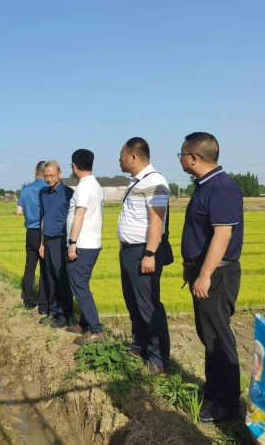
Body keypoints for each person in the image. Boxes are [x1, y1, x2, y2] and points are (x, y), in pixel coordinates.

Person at [180, 132, 244, 423]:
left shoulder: (221, 187)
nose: (180, 159)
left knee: (219, 336)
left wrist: (204, 274)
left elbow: (222, 235)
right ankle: (214, 388)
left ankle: (228, 404)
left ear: (194, 158)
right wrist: (191, 267)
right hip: (204, 270)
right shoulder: (205, 185)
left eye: (182, 154)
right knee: (208, 333)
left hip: (217, 274)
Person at [118, 137, 170, 375]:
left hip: (143, 251)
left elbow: (156, 222)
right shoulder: (137, 181)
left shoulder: (154, 181)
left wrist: (149, 254)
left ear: (133, 157)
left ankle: (158, 359)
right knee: (134, 303)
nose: (119, 159)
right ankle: (139, 346)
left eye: (121, 155)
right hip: (130, 251)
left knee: (148, 305)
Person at [65, 149, 106, 345]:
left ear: (74, 166)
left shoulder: (83, 186)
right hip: (92, 242)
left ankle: (96, 330)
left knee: (79, 286)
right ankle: (84, 323)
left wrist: (72, 242)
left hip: (82, 244)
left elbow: (79, 215)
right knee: (83, 284)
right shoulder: (96, 185)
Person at [38, 160, 74, 329]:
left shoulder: (69, 193)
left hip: (61, 241)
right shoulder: (43, 193)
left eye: (52, 175)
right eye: (46, 176)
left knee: (62, 278)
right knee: (50, 277)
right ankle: (52, 312)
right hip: (48, 240)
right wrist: (42, 243)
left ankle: (64, 314)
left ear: (60, 173)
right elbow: (43, 219)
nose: (49, 179)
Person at [16, 161, 49, 312]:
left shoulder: (26, 190)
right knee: (44, 269)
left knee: (30, 268)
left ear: (35, 172)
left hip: (31, 232)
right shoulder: (48, 189)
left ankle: (28, 301)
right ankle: (43, 303)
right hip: (45, 233)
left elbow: (18, 211)